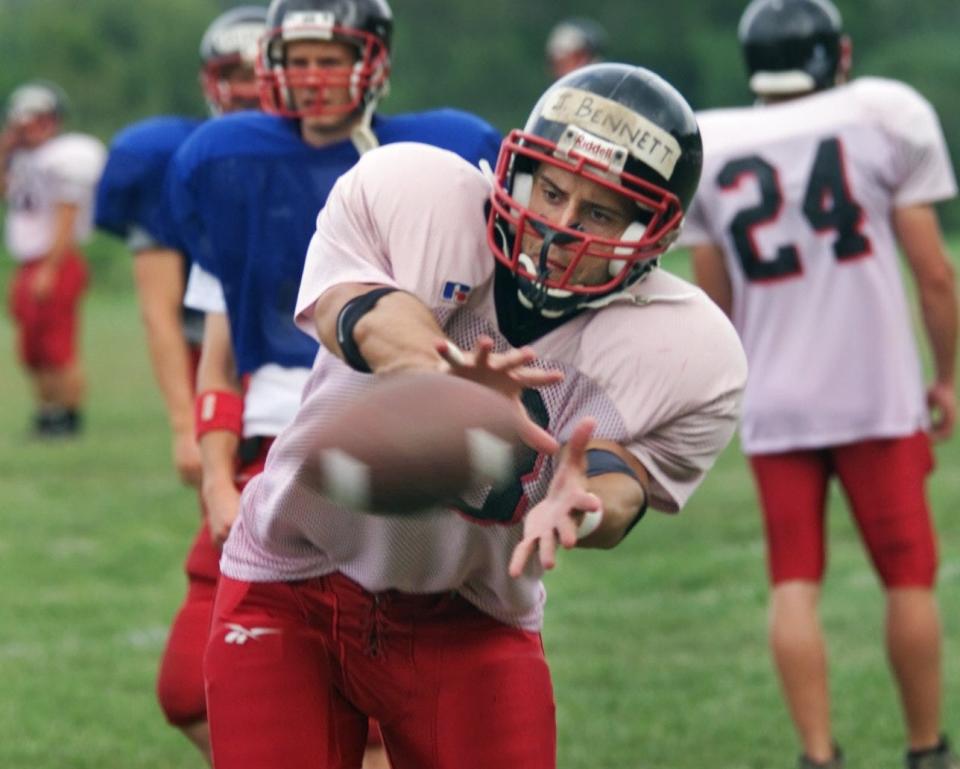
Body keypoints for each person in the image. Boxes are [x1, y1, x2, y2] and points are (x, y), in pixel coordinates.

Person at [199, 62, 747, 769]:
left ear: (652, 233)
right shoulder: (416, 194)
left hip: (470, 614)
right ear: (517, 171)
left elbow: (619, 484)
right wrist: (444, 381)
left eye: (601, 212)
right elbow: (359, 312)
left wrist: (579, 504)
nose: (560, 226)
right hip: (290, 578)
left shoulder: (686, 348)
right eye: (551, 190)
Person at [167, 1, 502, 765]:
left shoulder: (436, 158)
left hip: (389, 437)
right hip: (268, 456)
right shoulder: (231, 163)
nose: (310, 77)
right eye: (297, 56)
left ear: (374, 58)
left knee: (383, 702)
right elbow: (221, 361)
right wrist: (217, 482)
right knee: (190, 686)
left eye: (329, 56)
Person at [680, 1, 959, 768]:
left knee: (793, 580)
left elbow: (715, 306)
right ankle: (926, 747)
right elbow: (934, 274)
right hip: (876, 390)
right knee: (908, 575)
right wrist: (949, 377)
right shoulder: (883, 112)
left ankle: (816, 754)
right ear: (835, 53)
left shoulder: (713, 139)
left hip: (777, 394)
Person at [93, 7, 268, 763]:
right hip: (233, 406)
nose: (251, 89)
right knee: (193, 687)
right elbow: (164, 315)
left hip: (309, 420)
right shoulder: (178, 159)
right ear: (208, 80)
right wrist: (183, 422)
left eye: (264, 71)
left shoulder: (355, 159)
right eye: (234, 73)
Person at [2, 81, 105, 438]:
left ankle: (69, 416)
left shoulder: (65, 155)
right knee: (32, 349)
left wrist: (50, 266)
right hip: (30, 262)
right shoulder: (23, 159)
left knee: (58, 345)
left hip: (55, 260)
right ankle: (48, 413)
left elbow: (67, 213)